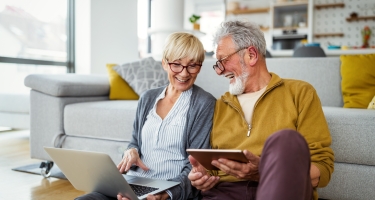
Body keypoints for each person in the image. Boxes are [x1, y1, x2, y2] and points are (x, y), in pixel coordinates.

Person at [188, 20, 334, 200]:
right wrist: (201, 177)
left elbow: (322, 168)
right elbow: (211, 166)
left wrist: (263, 171)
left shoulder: (300, 93)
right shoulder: (220, 105)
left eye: (223, 60)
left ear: (251, 55)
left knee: (286, 139)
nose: (219, 71)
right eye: (217, 64)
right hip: (225, 193)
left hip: (280, 190)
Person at [75, 32, 216, 200]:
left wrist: (163, 195)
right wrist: (131, 151)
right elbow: (134, 141)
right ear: (164, 63)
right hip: (133, 183)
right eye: (176, 64)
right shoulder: (148, 97)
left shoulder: (204, 103)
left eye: (193, 65)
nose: (184, 73)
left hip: (169, 190)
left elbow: (194, 166)